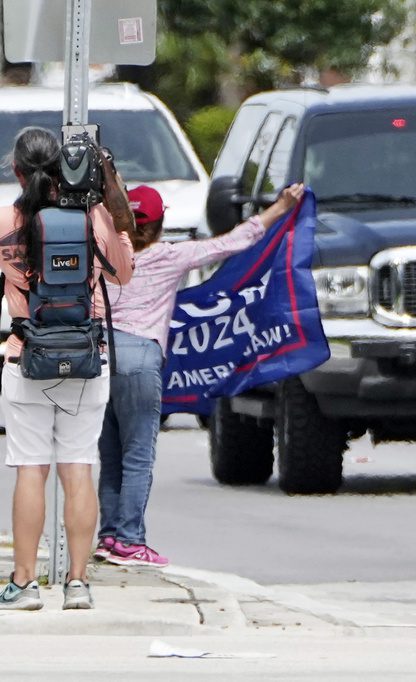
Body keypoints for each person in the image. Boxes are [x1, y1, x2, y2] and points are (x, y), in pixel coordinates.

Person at [96, 181, 305, 568]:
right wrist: (281, 207)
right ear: (160, 224)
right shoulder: (172, 256)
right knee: (138, 456)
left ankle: (108, 536)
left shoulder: (103, 257)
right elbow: (234, 242)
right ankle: (129, 539)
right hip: (140, 358)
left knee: (111, 455)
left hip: (100, 357)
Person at [0, 127, 136, 610]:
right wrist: (111, 203)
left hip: (26, 358)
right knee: (78, 468)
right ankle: (78, 584)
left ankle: (24, 583)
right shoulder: (92, 218)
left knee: (31, 471)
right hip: (86, 360)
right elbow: (123, 272)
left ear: (17, 171)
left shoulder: (7, 221)